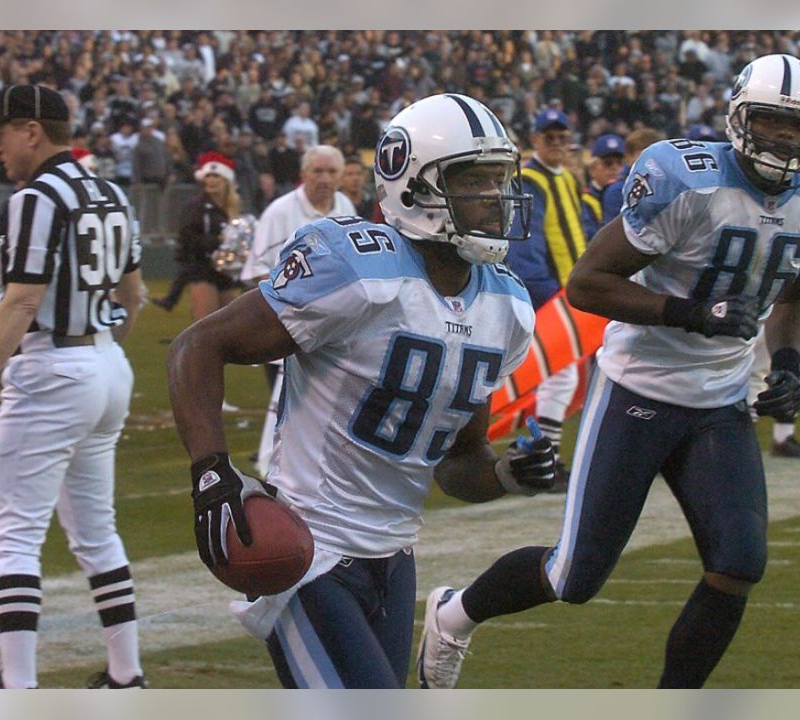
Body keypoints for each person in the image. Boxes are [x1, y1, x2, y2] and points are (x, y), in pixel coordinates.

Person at [416, 54, 800, 690]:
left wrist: (785, 364)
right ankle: (454, 614)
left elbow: (792, 290)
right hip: (639, 387)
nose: (784, 141)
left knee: (738, 563)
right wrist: (690, 312)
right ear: (737, 117)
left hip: (721, 398)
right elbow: (588, 284)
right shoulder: (685, 178)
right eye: (771, 122)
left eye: (797, 128)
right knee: (574, 578)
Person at [168, 92, 548, 689]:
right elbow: (196, 346)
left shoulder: (507, 306)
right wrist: (213, 473)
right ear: (414, 186)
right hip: (308, 548)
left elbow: (460, 463)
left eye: (500, 180)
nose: (497, 200)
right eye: (474, 181)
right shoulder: (355, 268)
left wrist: (506, 476)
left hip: (395, 560)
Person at [0, 85, 148, 690]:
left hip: (53, 368)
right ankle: (126, 673)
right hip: (106, 363)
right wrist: (102, 348)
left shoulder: (35, 198)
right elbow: (132, 295)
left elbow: (22, 298)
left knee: (14, 535)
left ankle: (19, 684)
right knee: (96, 531)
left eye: (2, 133)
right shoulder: (110, 190)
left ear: (31, 131)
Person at [238, 144, 355, 475]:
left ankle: (311, 471)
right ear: (303, 175)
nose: (324, 179)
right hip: (284, 328)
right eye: (317, 171)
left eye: (331, 172)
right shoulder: (279, 213)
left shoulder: (345, 206)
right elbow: (257, 272)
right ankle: (275, 470)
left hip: (333, 332)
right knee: (286, 407)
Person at [504, 107, 589, 476]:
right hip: (552, 296)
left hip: (571, 293)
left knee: (559, 377)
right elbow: (526, 245)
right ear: (535, 140)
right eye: (548, 137)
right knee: (561, 375)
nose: (556, 143)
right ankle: (546, 458)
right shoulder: (530, 180)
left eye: (561, 137)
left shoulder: (568, 179)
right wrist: (549, 294)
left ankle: (539, 452)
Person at [151, 152, 242, 318]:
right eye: (208, 176)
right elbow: (187, 238)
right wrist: (217, 240)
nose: (211, 180)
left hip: (226, 272)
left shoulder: (233, 208)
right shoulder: (195, 207)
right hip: (202, 269)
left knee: (230, 324)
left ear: (227, 181)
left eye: (216, 176)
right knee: (206, 323)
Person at [582, 133, 625, 238]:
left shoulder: (626, 195)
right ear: (592, 169)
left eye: (619, 163)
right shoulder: (584, 201)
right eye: (608, 163)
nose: (615, 168)